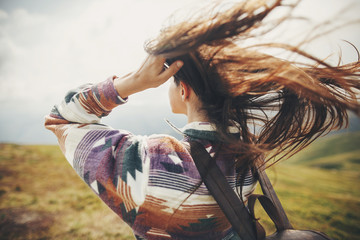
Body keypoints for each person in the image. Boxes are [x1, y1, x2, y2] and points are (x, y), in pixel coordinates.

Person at [45, 0, 360, 239]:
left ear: (184, 90)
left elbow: (62, 119)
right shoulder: (246, 152)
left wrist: (133, 82)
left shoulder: (156, 164)